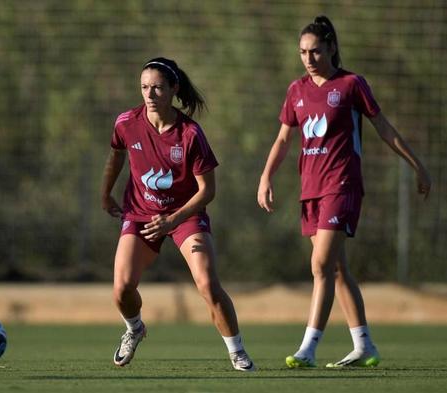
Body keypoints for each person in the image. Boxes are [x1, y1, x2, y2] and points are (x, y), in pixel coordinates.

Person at [257, 16, 431, 368]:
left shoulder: (352, 84)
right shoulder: (296, 90)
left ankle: (308, 348)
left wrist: (417, 164)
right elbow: (282, 139)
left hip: (342, 183)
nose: (308, 58)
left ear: (331, 47)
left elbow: (383, 127)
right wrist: (266, 177)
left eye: (315, 50)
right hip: (310, 189)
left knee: (320, 265)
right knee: (335, 269)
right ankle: (364, 344)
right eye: (303, 52)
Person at [101, 57, 256, 371]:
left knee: (207, 285)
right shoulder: (126, 122)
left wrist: (172, 220)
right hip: (141, 214)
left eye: (158, 87)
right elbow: (117, 154)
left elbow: (207, 191)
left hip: (184, 215)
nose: (150, 94)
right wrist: (105, 192)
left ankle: (236, 351)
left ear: (173, 89)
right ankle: (135, 329)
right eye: (145, 87)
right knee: (122, 288)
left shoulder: (190, 135)